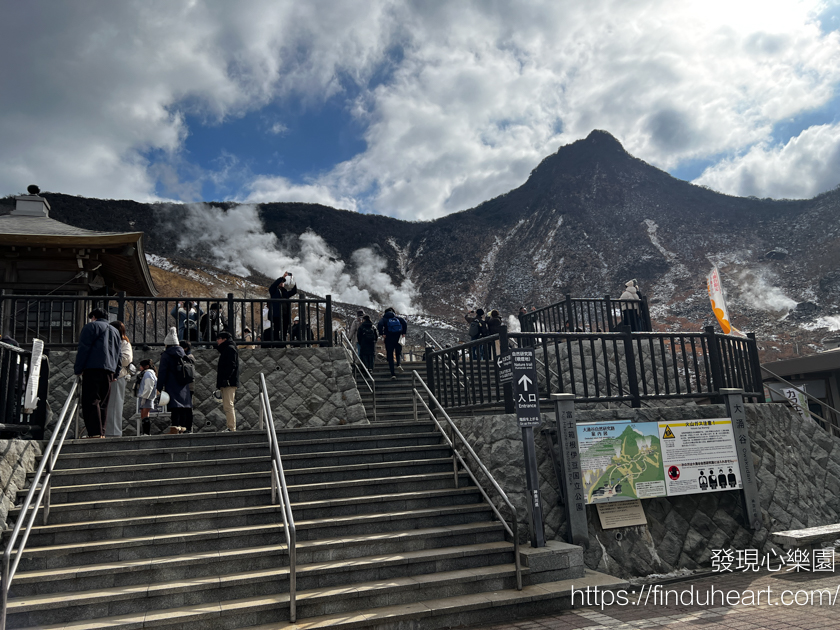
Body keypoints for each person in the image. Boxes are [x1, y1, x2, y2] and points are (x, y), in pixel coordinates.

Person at [74, 308, 121, 438]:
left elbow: (83, 349)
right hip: (109, 370)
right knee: (103, 402)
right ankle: (102, 432)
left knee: (91, 400)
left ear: (94, 317)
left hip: (93, 368)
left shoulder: (91, 327)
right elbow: (119, 354)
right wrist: (116, 373)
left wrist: (78, 369)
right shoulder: (115, 331)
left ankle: (95, 432)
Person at [157, 327, 193, 432]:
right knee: (184, 406)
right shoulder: (183, 354)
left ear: (167, 344)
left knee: (175, 406)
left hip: (171, 383)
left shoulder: (166, 355)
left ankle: (175, 427)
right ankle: (184, 428)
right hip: (184, 384)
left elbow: (162, 372)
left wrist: (159, 387)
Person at [104, 321, 133, 437]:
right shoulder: (107, 341)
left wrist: (111, 357)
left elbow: (126, 359)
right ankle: (104, 431)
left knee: (115, 405)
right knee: (106, 405)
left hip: (119, 376)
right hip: (107, 375)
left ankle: (114, 432)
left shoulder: (124, 343)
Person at [215, 331, 239, 431]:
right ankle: (230, 427)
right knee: (227, 405)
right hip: (227, 381)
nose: (217, 341)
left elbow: (231, 365)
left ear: (224, 339)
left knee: (228, 405)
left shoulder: (229, 349)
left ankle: (231, 427)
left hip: (229, 382)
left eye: (219, 338)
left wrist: (226, 378)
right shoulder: (227, 349)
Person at [377, 308, 407, 380]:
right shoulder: (397, 318)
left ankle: (393, 373)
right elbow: (405, 323)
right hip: (398, 337)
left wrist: (382, 333)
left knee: (390, 355)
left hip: (389, 338)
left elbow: (379, 325)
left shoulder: (384, 319)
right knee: (398, 353)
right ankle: (398, 364)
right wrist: (403, 333)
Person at [268, 272, 297, 342]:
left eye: (283, 282)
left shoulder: (285, 292)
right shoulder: (273, 291)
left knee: (284, 330)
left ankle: (283, 343)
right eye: (280, 282)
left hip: (285, 314)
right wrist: (283, 277)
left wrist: (293, 281)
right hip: (276, 314)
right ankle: (276, 343)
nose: (281, 283)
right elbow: (273, 285)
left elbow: (294, 291)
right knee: (276, 329)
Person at [178, 339, 197, 432]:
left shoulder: (189, 358)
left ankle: (188, 428)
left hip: (188, 386)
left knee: (187, 408)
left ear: (185, 348)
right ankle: (184, 427)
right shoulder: (188, 357)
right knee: (184, 408)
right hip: (186, 386)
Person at [135, 359, 157, 436]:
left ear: (146, 366)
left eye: (141, 366)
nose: (140, 367)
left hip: (147, 397)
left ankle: (146, 433)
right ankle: (144, 432)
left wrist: (144, 398)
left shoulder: (148, 373)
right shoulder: (146, 373)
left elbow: (149, 387)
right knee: (143, 415)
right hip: (145, 396)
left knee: (145, 415)